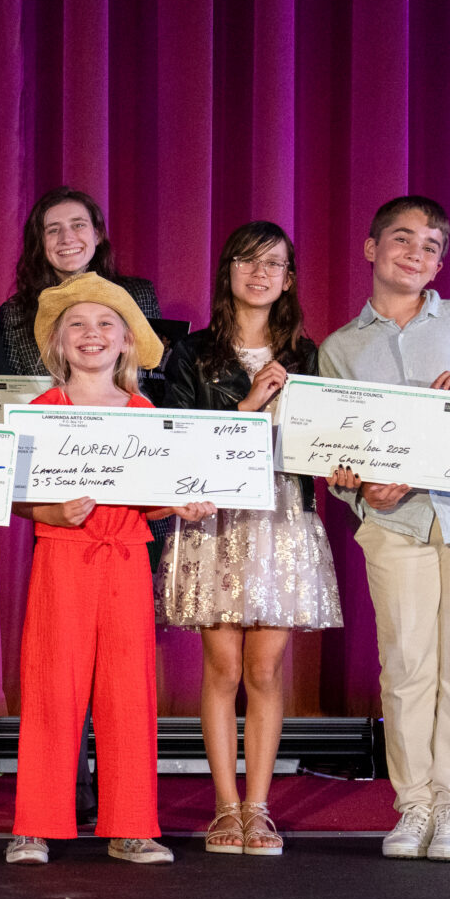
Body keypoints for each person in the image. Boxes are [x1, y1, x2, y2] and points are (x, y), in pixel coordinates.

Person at [319, 195, 450, 864]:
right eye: (403, 239)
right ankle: (413, 804)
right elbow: (333, 456)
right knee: (408, 665)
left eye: (432, 245)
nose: (416, 254)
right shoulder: (341, 347)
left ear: (441, 261)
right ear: (371, 248)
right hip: (393, 521)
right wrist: (357, 482)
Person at [3, 272, 211, 867]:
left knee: (128, 692)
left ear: (125, 341)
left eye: (105, 325)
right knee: (51, 688)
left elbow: (148, 495)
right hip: (62, 561)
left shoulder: (145, 410)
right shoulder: (41, 410)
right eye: (77, 325)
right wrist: (51, 510)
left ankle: (131, 825)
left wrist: (180, 503)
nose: (90, 335)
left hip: (124, 562)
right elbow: (11, 494)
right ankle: (34, 824)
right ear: (58, 344)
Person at [158, 221, 342, 856]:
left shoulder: (311, 356)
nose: (259, 273)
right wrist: (250, 403)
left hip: (279, 519)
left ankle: (259, 807)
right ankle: (224, 806)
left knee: (264, 669)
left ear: (288, 279)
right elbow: (182, 447)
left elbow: (325, 443)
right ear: (227, 271)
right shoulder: (190, 355)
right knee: (223, 666)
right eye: (246, 260)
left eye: (273, 264)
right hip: (214, 521)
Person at [0, 187, 160, 377]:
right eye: (53, 230)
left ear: (97, 235)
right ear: (39, 243)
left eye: (78, 225)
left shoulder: (140, 296)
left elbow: (156, 379)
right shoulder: (15, 314)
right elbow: (14, 391)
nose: (67, 238)